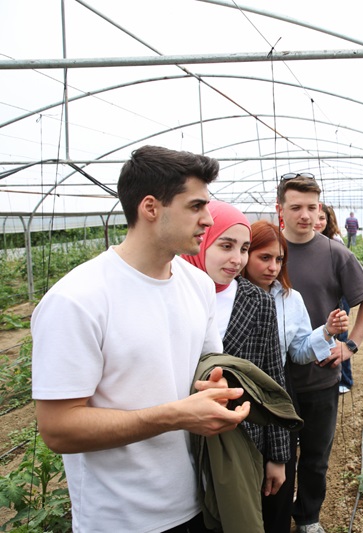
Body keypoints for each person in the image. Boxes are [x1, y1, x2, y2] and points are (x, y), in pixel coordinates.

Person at [31, 145, 251, 532]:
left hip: (195, 498)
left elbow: (209, 367)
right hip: (121, 517)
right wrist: (176, 415)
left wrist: (218, 389)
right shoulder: (78, 299)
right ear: (151, 207)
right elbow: (58, 428)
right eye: (196, 206)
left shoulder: (197, 284)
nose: (207, 219)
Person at [276, 174, 363, 533]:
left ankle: (307, 517)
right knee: (278, 456)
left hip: (321, 376)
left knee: (316, 456)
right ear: (281, 210)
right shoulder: (271, 251)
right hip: (276, 380)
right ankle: (274, 518)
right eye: (297, 207)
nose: (305, 215)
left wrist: (350, 345)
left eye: (312, 207)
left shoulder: (335, 252)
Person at [180, 201, 291, 519]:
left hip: (245, 436)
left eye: (243, 249)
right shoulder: (177, 296)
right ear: (201, 241)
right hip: (184, 439)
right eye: (225, 245)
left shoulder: (257, 300)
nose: (237, 259)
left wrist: (279, 456)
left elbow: (272, 378)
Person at [243, 220, 349, 532]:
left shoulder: (290, 298)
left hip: (277, 391)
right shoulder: (227, 295)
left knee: (279, 470)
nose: (273, 267)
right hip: (239, 392)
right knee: (246, 471)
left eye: (279, 260)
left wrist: (326, 331)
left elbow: (298, 352)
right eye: (264, 258)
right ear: (245, 254)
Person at [317, 203, 353, 392]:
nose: (317, 222)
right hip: (325, 296)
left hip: (339, 296)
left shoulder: (334, 242)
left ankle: (345, 380)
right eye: (316, 217)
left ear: (329, 221)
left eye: (322, 218)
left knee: (340, 336)